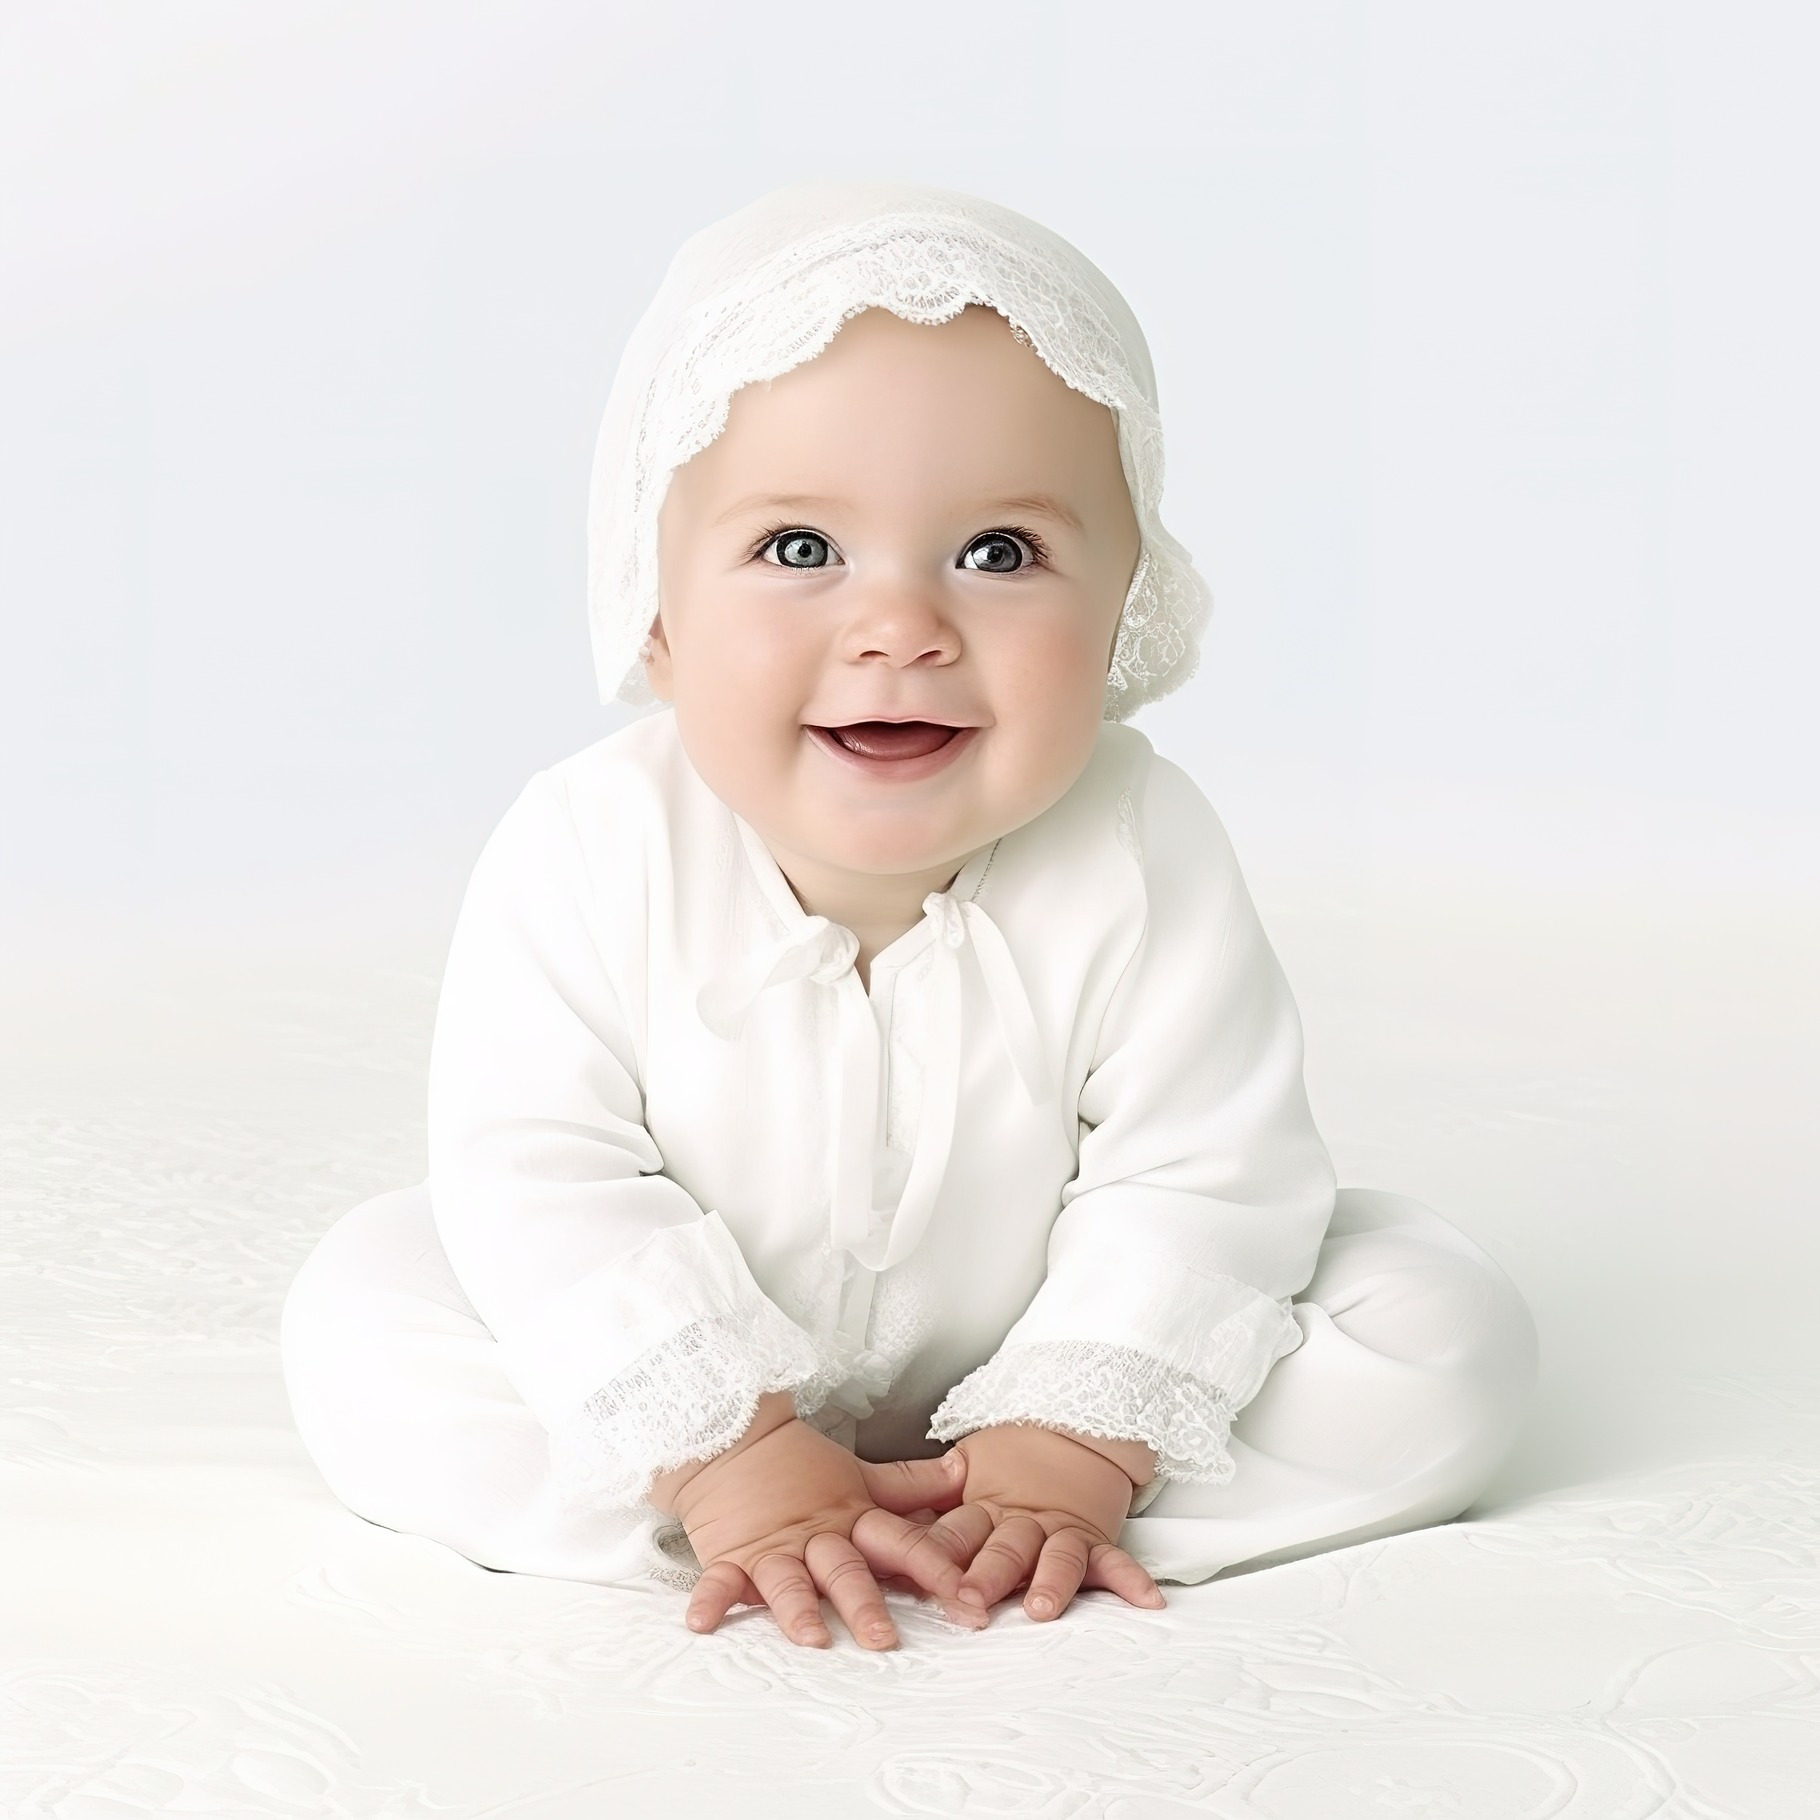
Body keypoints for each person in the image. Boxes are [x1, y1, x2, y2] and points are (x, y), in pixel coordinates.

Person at [280, 182, 1539, 1654]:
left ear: (1124, 610)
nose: (901, 629)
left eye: (999, 552)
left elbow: (1209, 1167)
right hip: (682, 1388)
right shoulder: (588, 840)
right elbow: (540, 1172)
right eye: (799, 550)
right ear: (656, 613)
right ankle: (743, 1514)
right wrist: (725, 1445)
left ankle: (1009, 1509)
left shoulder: (1141, 839)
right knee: (370, 1307)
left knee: (1443, 1329)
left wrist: (1079, 1428)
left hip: (1050, 1354)